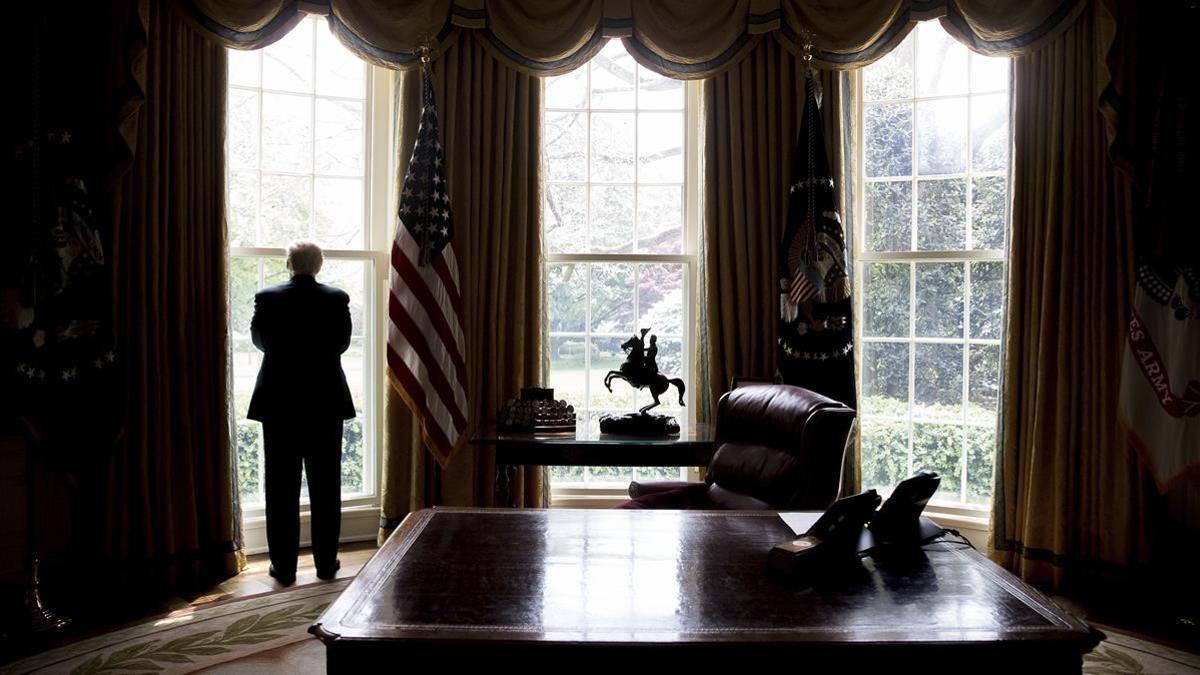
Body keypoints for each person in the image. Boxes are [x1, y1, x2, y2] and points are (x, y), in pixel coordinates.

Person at [247, 241, 355, 585]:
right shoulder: (337, 299)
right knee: (326, 486)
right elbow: (341, 344)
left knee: (281, 488)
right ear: (318, 266)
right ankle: (325, 563)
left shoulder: (268, 298)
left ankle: (284, 567)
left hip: (280, 402)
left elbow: (260, 342)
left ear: (289, 263)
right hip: (325, 402)